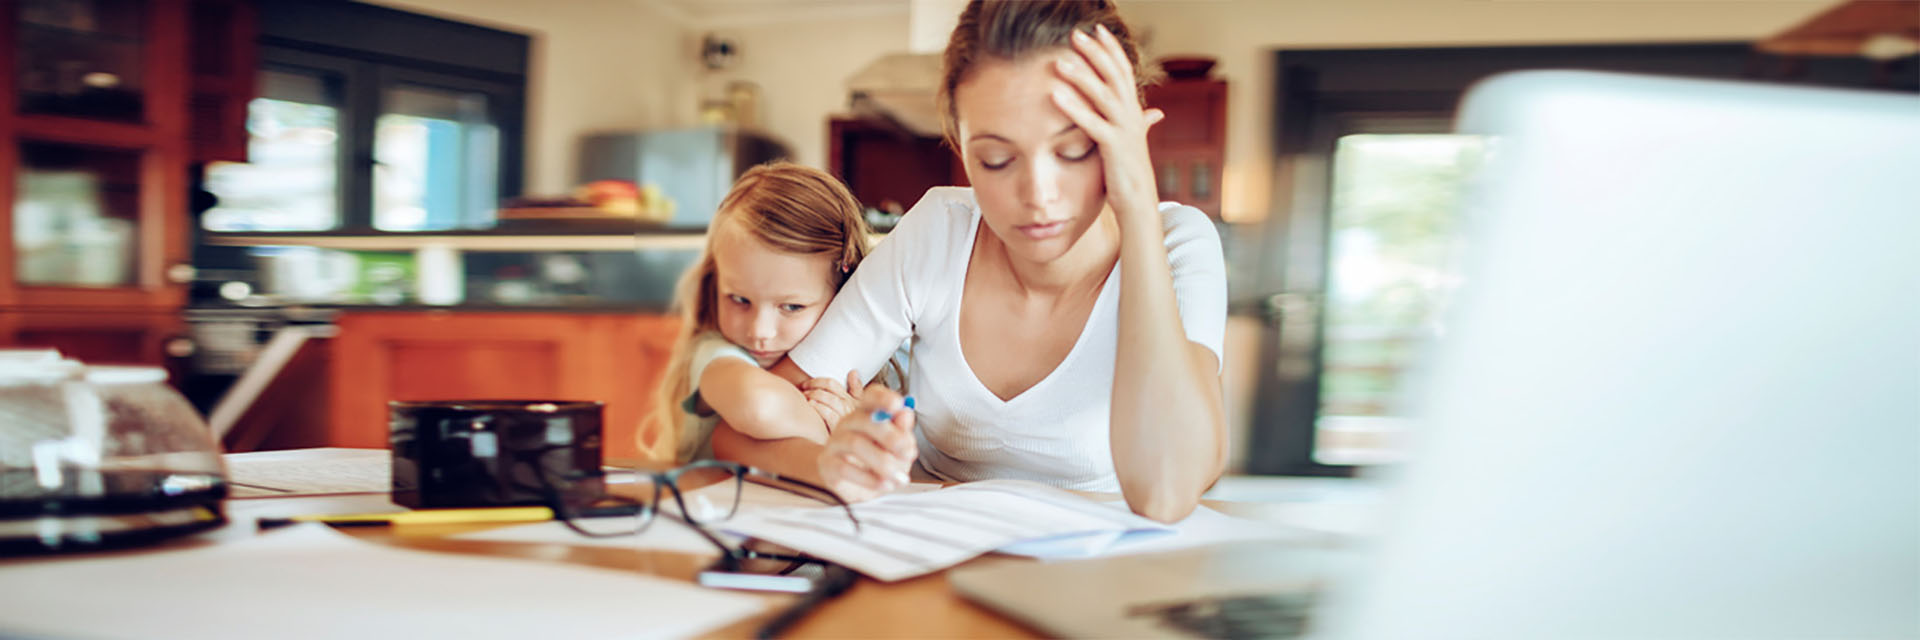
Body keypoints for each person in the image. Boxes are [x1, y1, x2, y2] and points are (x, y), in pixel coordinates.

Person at [712, 0, 1227, 523]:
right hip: (929, 558)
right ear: (960, 145)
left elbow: (1166, 493)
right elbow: (737, 431)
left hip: (1099, 570)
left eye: (1074, 150)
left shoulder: (1177, 244)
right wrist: (831, 461)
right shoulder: (938, 232)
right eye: (996, 159)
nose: (1038, 195)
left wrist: (1136, 203)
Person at [644, 162, 877, 464]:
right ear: (716, 282)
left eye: (791, 307)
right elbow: (758, 404)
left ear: (843, 291)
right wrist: (844, 433)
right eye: (739, 300)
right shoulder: (715, 355)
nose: (760, 331)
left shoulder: (863, 370)